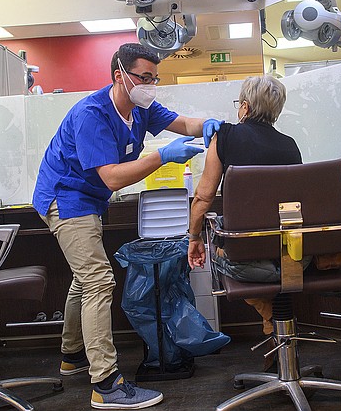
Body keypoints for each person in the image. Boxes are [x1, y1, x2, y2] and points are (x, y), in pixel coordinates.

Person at [32, 43, 222, 410]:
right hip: (65, 198)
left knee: (83, 279)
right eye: (144, 77)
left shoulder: (139, 108)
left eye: (154, 78)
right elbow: (113, 178)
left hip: (88, 199)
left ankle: (72, 355)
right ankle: (106, 384)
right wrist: (161, 156)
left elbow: (181, 123)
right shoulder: (92, 114)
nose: (150, 85)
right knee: (98, 280)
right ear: (119, 74)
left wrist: (208, 127)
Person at [187, 75, 302, 361]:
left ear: (246, 107)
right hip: (293, 257)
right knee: (264, 262)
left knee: (217, 249)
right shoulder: (291, 145)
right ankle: (275, 319)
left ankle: (269, 315)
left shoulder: (225, 135)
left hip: (245, 259)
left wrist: (194, 238)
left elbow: (203, 197)